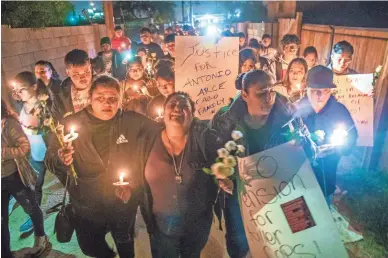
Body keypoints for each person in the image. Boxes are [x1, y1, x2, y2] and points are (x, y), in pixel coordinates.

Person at [45, 75, 156, 258]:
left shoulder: (131, 120)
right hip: (86, 202)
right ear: (90, 98)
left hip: (122, 199)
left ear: (120, 99)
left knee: (124, 239)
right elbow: (50, 159)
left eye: (113, 99)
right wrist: (60, 158)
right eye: (100, 98)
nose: (107, 104)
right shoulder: (70, 124)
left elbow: (163, 131)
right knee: (90, 247)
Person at [209, 70, 316, 258]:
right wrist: (223, 176)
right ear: (244, 94)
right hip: (239, 195)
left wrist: (303, 145)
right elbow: (212, 152)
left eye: (271, 91)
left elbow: (311, 153)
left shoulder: (289, 116)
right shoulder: (226, 119)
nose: (268, 98)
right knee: (239, 240)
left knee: (284, 241)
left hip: (281, 191)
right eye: (261, 93)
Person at [118, 92, 218, 258]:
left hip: (196, 226)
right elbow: (138, 175)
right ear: (163, 112)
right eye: (172, 103)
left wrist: (224, 178)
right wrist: (130, 189)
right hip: (160, 227)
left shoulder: (205, 140)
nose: (177, 107)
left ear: (193, 113)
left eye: (184, 105)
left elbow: (223, 166)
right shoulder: (147, 140)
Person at [296, 66, 358, 205]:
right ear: (306, 88)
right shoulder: (295, 110)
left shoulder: (340, 112)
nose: (320, 96)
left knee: (324, 215)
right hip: (298, 181)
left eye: (325, 91)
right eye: (315, 91)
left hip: (326, 179)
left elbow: (351, 142)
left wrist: (338, 147)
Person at [1, 99, 50, 257]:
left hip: (14, 176)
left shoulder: (8, 124)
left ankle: (40, 237)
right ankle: (5, 253)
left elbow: (24, 147)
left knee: (31, 207)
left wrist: (3, 152)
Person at [11, 72, 49, 234]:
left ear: (34, 87)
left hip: (43, 152)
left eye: (23, 89)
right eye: (17, 90)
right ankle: (35, 215)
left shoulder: (42, 105)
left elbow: (48, 129)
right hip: (30, 153)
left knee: (36, 186)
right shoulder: (23, 105)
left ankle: (36, 218)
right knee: (33, 186)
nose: (19, 93)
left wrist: (27, 129)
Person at [51, 49, 93, 121]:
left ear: (90, 67)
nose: (83, 77)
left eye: (86, 72)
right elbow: (55, 120)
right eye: (76, 74)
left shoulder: (104, 86)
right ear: (68, 73)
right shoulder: (60, 96)